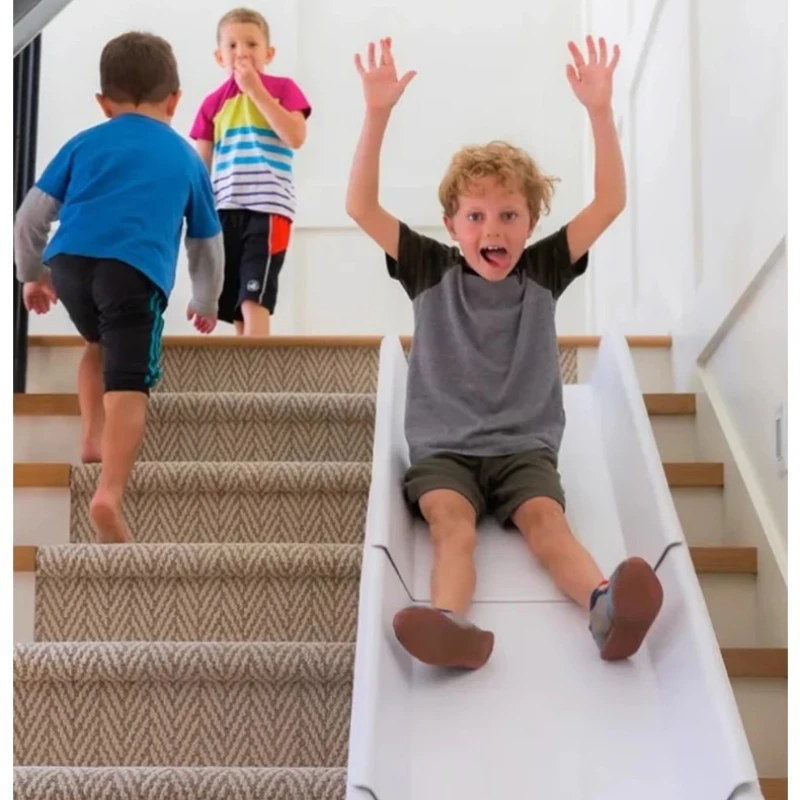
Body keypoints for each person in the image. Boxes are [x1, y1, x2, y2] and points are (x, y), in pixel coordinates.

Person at [346, 36, 663, 670]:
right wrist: (377, 112)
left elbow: (609, 203)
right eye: (476, 216)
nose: (493, 230)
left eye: (510, 216)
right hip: (445, 449)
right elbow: (359, 206)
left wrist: (600, 112)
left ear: (531, 220)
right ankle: (448, 624)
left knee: (547, 523)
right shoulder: (427, 268)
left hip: (523, 447)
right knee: (450, 526)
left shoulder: (543, 269)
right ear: (453, 223)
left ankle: (605, 608)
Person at [13, 31, 224, 544]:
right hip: (133, 273)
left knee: (96, 345)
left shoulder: (83, 142)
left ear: (103, 103)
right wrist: (206, 299)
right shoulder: (187, 158)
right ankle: (109, 493)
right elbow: (207, 243)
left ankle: (91, 436)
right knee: (130, 381)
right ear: (175, 98)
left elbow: (30, 217)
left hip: (70, 264)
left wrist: (32, 275)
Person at [190, 7, 312, 336]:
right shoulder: (212, 103)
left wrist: (255, 90)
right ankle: (246, 379)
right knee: (236, 302)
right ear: (219, 56)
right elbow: (200, 168)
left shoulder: (283, 89)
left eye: (251, 44)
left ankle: (260, 374)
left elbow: (295, 136)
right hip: (226, 209)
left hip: (268, 208)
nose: (241, 52)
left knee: (254, 296)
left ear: (268, 53)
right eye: (232, 46)